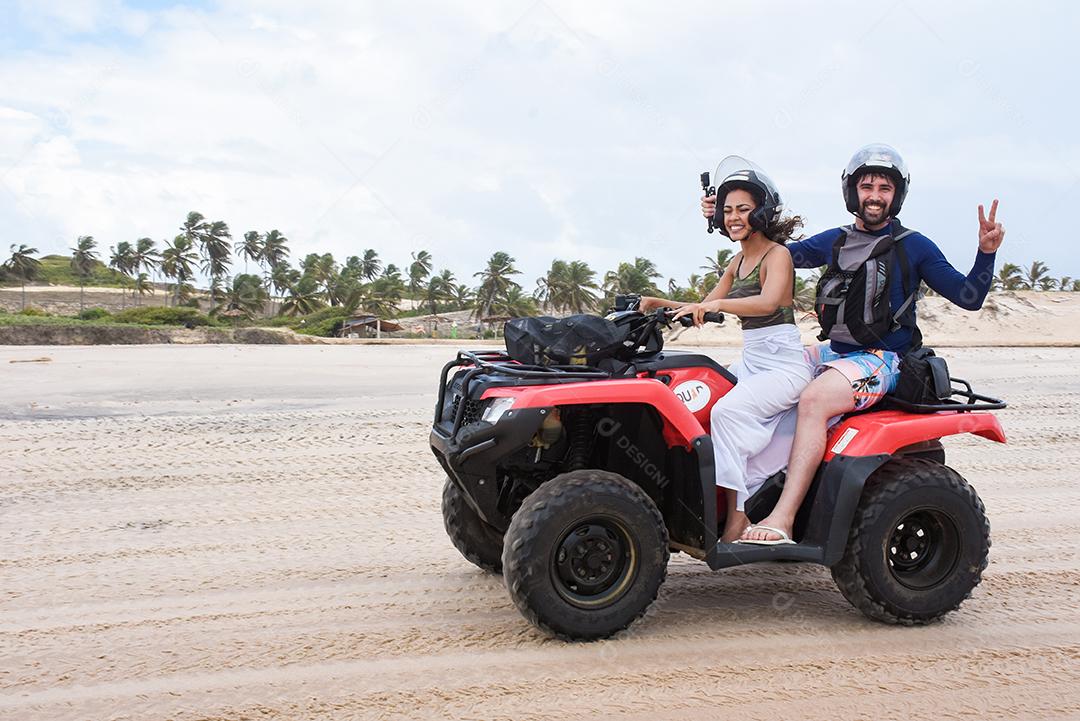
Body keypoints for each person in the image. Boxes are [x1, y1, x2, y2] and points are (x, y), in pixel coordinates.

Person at [701, 143, 1005, 545]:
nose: (875, 195)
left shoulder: (914, 246)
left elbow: (969, 297)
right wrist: (729, 217)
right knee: (745, 376)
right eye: (867, 186)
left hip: (883, 359)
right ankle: (746, 493)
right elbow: (767, 255)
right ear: (852, 191)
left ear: (897, 195)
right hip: (835, 352)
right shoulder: (836, 240)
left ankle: (784, 518)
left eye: (884, 187)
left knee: (812, 401)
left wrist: (986, 254)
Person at [639, 156, 811, 543]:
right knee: (696, 400)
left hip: (784, 366)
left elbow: (767, 303)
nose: (734, 217)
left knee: (727, 411)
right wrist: (658, 303)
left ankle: (737, 518)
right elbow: (701, 304)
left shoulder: (775, 255)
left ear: (762, 213)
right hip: (753, 360)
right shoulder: (736, 261)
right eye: (728, 210)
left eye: (744, 210)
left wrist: (716, 306)